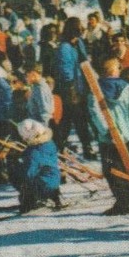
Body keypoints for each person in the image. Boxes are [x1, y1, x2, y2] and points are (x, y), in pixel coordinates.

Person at [87, 58, 129, 216]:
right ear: (115, 70)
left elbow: (94, 111)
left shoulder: (96, 89)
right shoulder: (127, 88)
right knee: (126, 167)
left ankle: (122, 202)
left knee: (111, 170)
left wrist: (104, 130)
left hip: (108, 137)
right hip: (125, 135)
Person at [54, 16, 96, 159]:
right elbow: (66, 70)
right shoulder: (64, 47)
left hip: (81, 86)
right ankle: (63, 147)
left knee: (78, 119)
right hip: (71, 89)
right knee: (73, 119)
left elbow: (84, 60)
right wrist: (72, 88)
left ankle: (82, 147)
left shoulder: (78, 43)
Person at [8, 119, 63, 213]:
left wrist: (13, 164)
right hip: (54, 180)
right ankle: (53, 196)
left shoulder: (33, 152)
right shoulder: (49, 143)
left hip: (43, 185)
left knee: (16, 174)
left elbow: (29, 173)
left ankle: (31, 201)